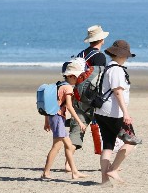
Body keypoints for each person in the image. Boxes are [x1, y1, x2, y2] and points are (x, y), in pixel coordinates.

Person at [94, 40, 141, 184]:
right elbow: (118, 92)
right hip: (113, 113)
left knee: (108, 144)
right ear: (121, 55)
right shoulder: (117, 70)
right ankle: (113, 169)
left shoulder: (107, 67)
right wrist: (126, 113)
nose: (126, 58)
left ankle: (104, 180)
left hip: (101, 112)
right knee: (131, 141)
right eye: (126, 55)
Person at [65, 25, 109, 172]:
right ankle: (106, 163)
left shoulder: (81, 54)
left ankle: (67, 163)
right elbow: (100, 78)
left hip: (77, 94)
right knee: (103, 129)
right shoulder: (100, 56)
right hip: (92, 97)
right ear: (101, 39)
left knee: (77, 128)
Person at [42, 59, 89, 180]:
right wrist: (79, 122)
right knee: (67, 145)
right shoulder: (68, 88)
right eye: (78, 77)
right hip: (58, 118)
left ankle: (47, 173)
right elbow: (69, 106)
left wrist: (47, 121)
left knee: (57, 146)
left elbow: (50, 104)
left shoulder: (59, 84)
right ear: (72, 76)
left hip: (54, 117)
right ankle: (74, 172)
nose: (79, 79)